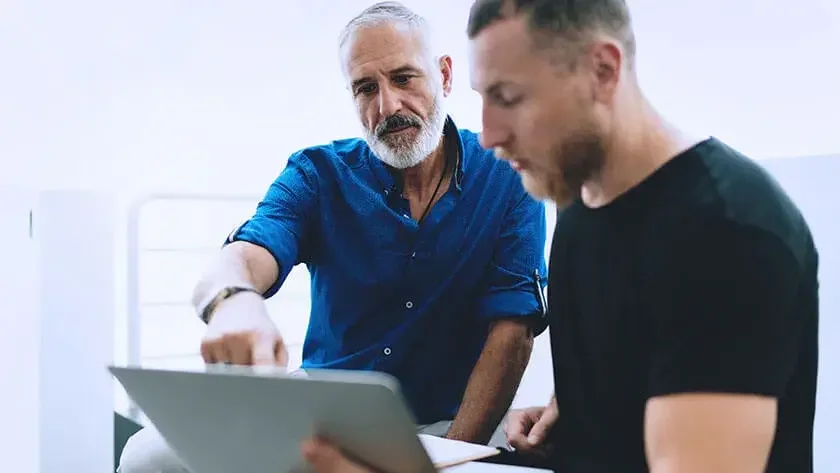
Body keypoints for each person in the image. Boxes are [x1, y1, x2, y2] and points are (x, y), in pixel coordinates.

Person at [300, 0, 820, 472]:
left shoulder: (727, 234)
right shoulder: (582, 208)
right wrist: (573, 426)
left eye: (510, 97)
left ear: (603, 70)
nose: (488, 134)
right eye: (484, 98)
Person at [117, 2, 549, 473]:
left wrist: (448, 458)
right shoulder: (317, 173)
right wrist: (233, 300)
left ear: (444, 76)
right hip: (321, 417)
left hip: (448, 426)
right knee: (144, 456)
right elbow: (244, 254)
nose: (388, 106)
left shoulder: (508, 175)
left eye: (404, 78)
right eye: (366, 88)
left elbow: (512, 334)